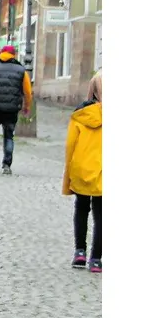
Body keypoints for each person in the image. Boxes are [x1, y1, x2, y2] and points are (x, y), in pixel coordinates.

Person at [63, 73, 102, 274]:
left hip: (81, 167)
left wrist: (69, 172)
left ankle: (80, 251)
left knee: (82, 209)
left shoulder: (81, 114)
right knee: (101, 214)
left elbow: (70, 144)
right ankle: (96, 258)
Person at [0, 44, 33, 175]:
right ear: (14, 55)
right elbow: (27, 91)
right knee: (9, 136)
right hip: (12, 108)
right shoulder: (21, 70)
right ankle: (7, 164)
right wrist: (27, 106)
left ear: (1, 53)